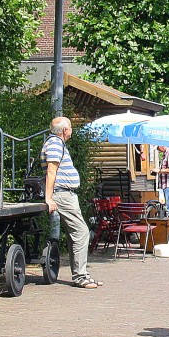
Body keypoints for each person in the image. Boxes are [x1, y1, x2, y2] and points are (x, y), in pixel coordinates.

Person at [41, 116, 101, 289]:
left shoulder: (57, 143)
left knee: (76, 234)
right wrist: (49, 197)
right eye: (71, 127)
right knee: (81, 232)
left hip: (67, 194)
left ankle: (82, 274)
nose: (72, 130)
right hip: (63, 194)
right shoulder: (54, 144)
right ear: (65, 130)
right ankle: (80, 276)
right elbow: (51, 171)